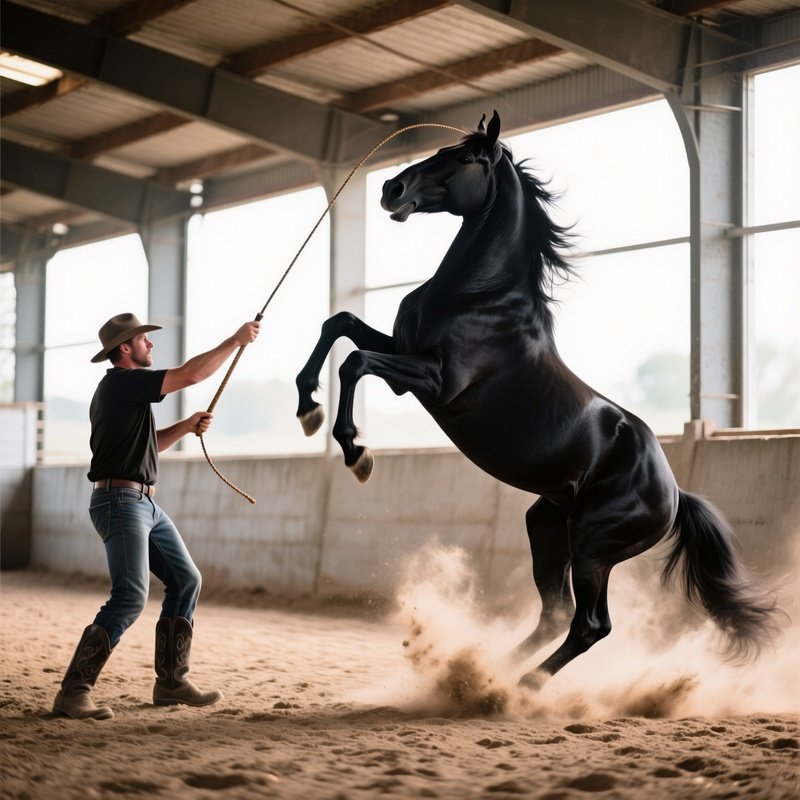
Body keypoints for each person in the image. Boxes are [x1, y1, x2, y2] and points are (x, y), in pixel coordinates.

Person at [52, 312, 260, 720]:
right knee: (130, 596)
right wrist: (235, 341)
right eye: (144, 340)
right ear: (125, 349)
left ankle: (171, 683)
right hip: (121, 502)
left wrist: (183, 427)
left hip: (140, 503)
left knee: (186, 580)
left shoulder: (125, 393)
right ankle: (73, 692)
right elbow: (192, 375)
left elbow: (148, 446)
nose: (151, 344)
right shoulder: (123, 382)